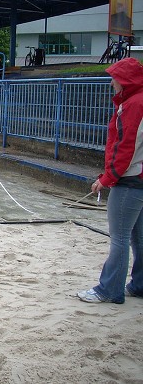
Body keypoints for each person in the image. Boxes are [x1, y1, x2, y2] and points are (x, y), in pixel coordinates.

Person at [77, 58, 143, 304]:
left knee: (120, 237)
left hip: (130, 180)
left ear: (124, 80)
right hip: (137, 177)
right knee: (138, 236)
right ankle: (139, 285)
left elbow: (126, 147)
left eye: (115, 77)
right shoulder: (134, 102)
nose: (111, 81)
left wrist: (107, 178)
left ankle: (109, 289)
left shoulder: (133, 105)